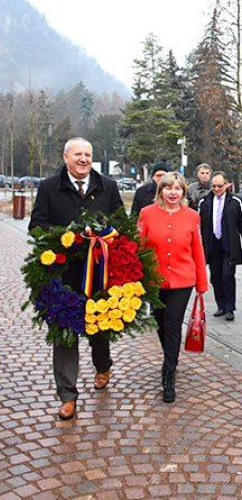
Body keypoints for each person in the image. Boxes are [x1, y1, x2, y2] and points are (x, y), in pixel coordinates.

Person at [29, 137, 123, 420]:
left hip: (100, 275)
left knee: (99, 330)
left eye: (88, 155)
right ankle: (67, 395)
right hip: (64, 276)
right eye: (78, 154)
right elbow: (36, 225)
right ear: (65, 157)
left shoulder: (108, 186)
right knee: (65, 335)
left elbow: (121, 222)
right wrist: (65, 237)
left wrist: (103, 235)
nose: (84, 159)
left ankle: (103, 365)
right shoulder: (48, 187)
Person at [138, 172, 208, 402]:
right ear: (161, 191)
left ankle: (169, 372)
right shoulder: (147, 214)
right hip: (155, 279)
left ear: (183, 192)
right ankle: (170, 354)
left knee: (173, 322)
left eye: (178, 189)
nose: (173, 193)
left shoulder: (192, 216)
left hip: (182, 279)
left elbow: (197, 250)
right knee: (160, 322)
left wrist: (201, 282)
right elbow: (139, 247)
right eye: (168, 188)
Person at [199, 171, 242, 321]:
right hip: (212, 245)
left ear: (226, 185)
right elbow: (199, 226)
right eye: (213, 186)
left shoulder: (235, 201)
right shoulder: (205, 202)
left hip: (229, 245)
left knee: (227, 275)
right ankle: (220, 305)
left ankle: (230, 307)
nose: (217, 189)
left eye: (220, 186)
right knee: (216, 277)